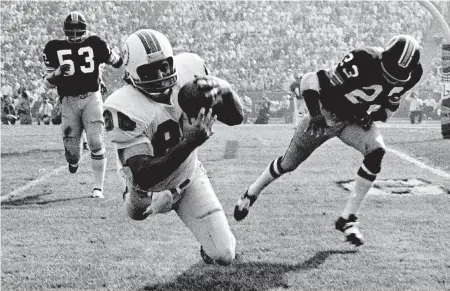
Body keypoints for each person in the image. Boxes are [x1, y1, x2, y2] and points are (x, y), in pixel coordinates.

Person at [234, 35, 423, 247]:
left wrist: (370, 115)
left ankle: (348, 218)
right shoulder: (363, 59)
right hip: (325, 115)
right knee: (288, 163)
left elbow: (387, 110)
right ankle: (251, 193)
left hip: (352, 121)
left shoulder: (413, 74)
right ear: (383, 58)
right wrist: (315, 114)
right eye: (390, 70)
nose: (393, 76)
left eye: (399, 73)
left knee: (377, 151)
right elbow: (310, 80)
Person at [103, 29, 243, 264]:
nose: (160, 74)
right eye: (149, 70)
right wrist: (190, 142)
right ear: (131, 73)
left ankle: (206, 244)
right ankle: (129, 192)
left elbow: (236, 118)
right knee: (136, 213)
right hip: (146, 189)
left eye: (165, 65)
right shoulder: (123, 105)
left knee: (224, 254)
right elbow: (145, 175)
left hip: (188, 178)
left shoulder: (190, 70)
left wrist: (225, 89)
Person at [42, 11, 123, 198]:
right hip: (68, 101)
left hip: (91, 98)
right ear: (65, 30)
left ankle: (98, 188)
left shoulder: (95, 44)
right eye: (72, 29)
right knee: (72, 153)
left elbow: (116, 62)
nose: (75, 33)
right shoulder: (54, 47)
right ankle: (73, 161)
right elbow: (47, 83)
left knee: (96, 141)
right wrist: (58, 73)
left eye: (78, 29)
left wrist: (118, 58)